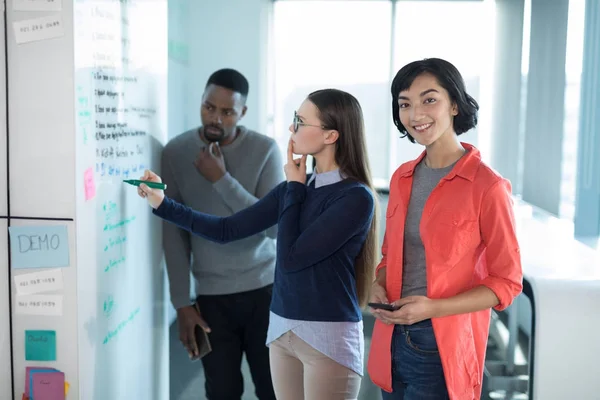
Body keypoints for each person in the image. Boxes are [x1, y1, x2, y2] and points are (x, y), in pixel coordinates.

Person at [139, 88, 379, 400]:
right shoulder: (295, 188)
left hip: (327, 335)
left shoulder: (355, 198)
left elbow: (291, 258)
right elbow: (227, 230)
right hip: (281, 331)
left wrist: (294, 186)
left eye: (301, 122)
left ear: (331, 135)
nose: (292, 129)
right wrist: (161, 203)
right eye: (295, 119)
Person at [366, 58, 523, 400]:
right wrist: (378, 285)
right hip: (391, 335)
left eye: (429, 99)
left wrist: (432, 308)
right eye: (405, 103)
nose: (415, 113)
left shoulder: (487, 185)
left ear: (454, 104)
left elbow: (507, 283)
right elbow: (391, 255)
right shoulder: (403, 177)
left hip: (440, 344)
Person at [162, 68, 283, 400]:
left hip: (266, 292)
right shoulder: (175, 152)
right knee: (221, 391)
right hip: (211, 299)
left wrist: (221, 180)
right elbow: (173, 233)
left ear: (242, 112)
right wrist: (181, 303)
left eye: (227, 111)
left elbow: (274, 228)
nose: (215, 118)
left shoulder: (265, 150)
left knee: (273, 388)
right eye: (208, 107)